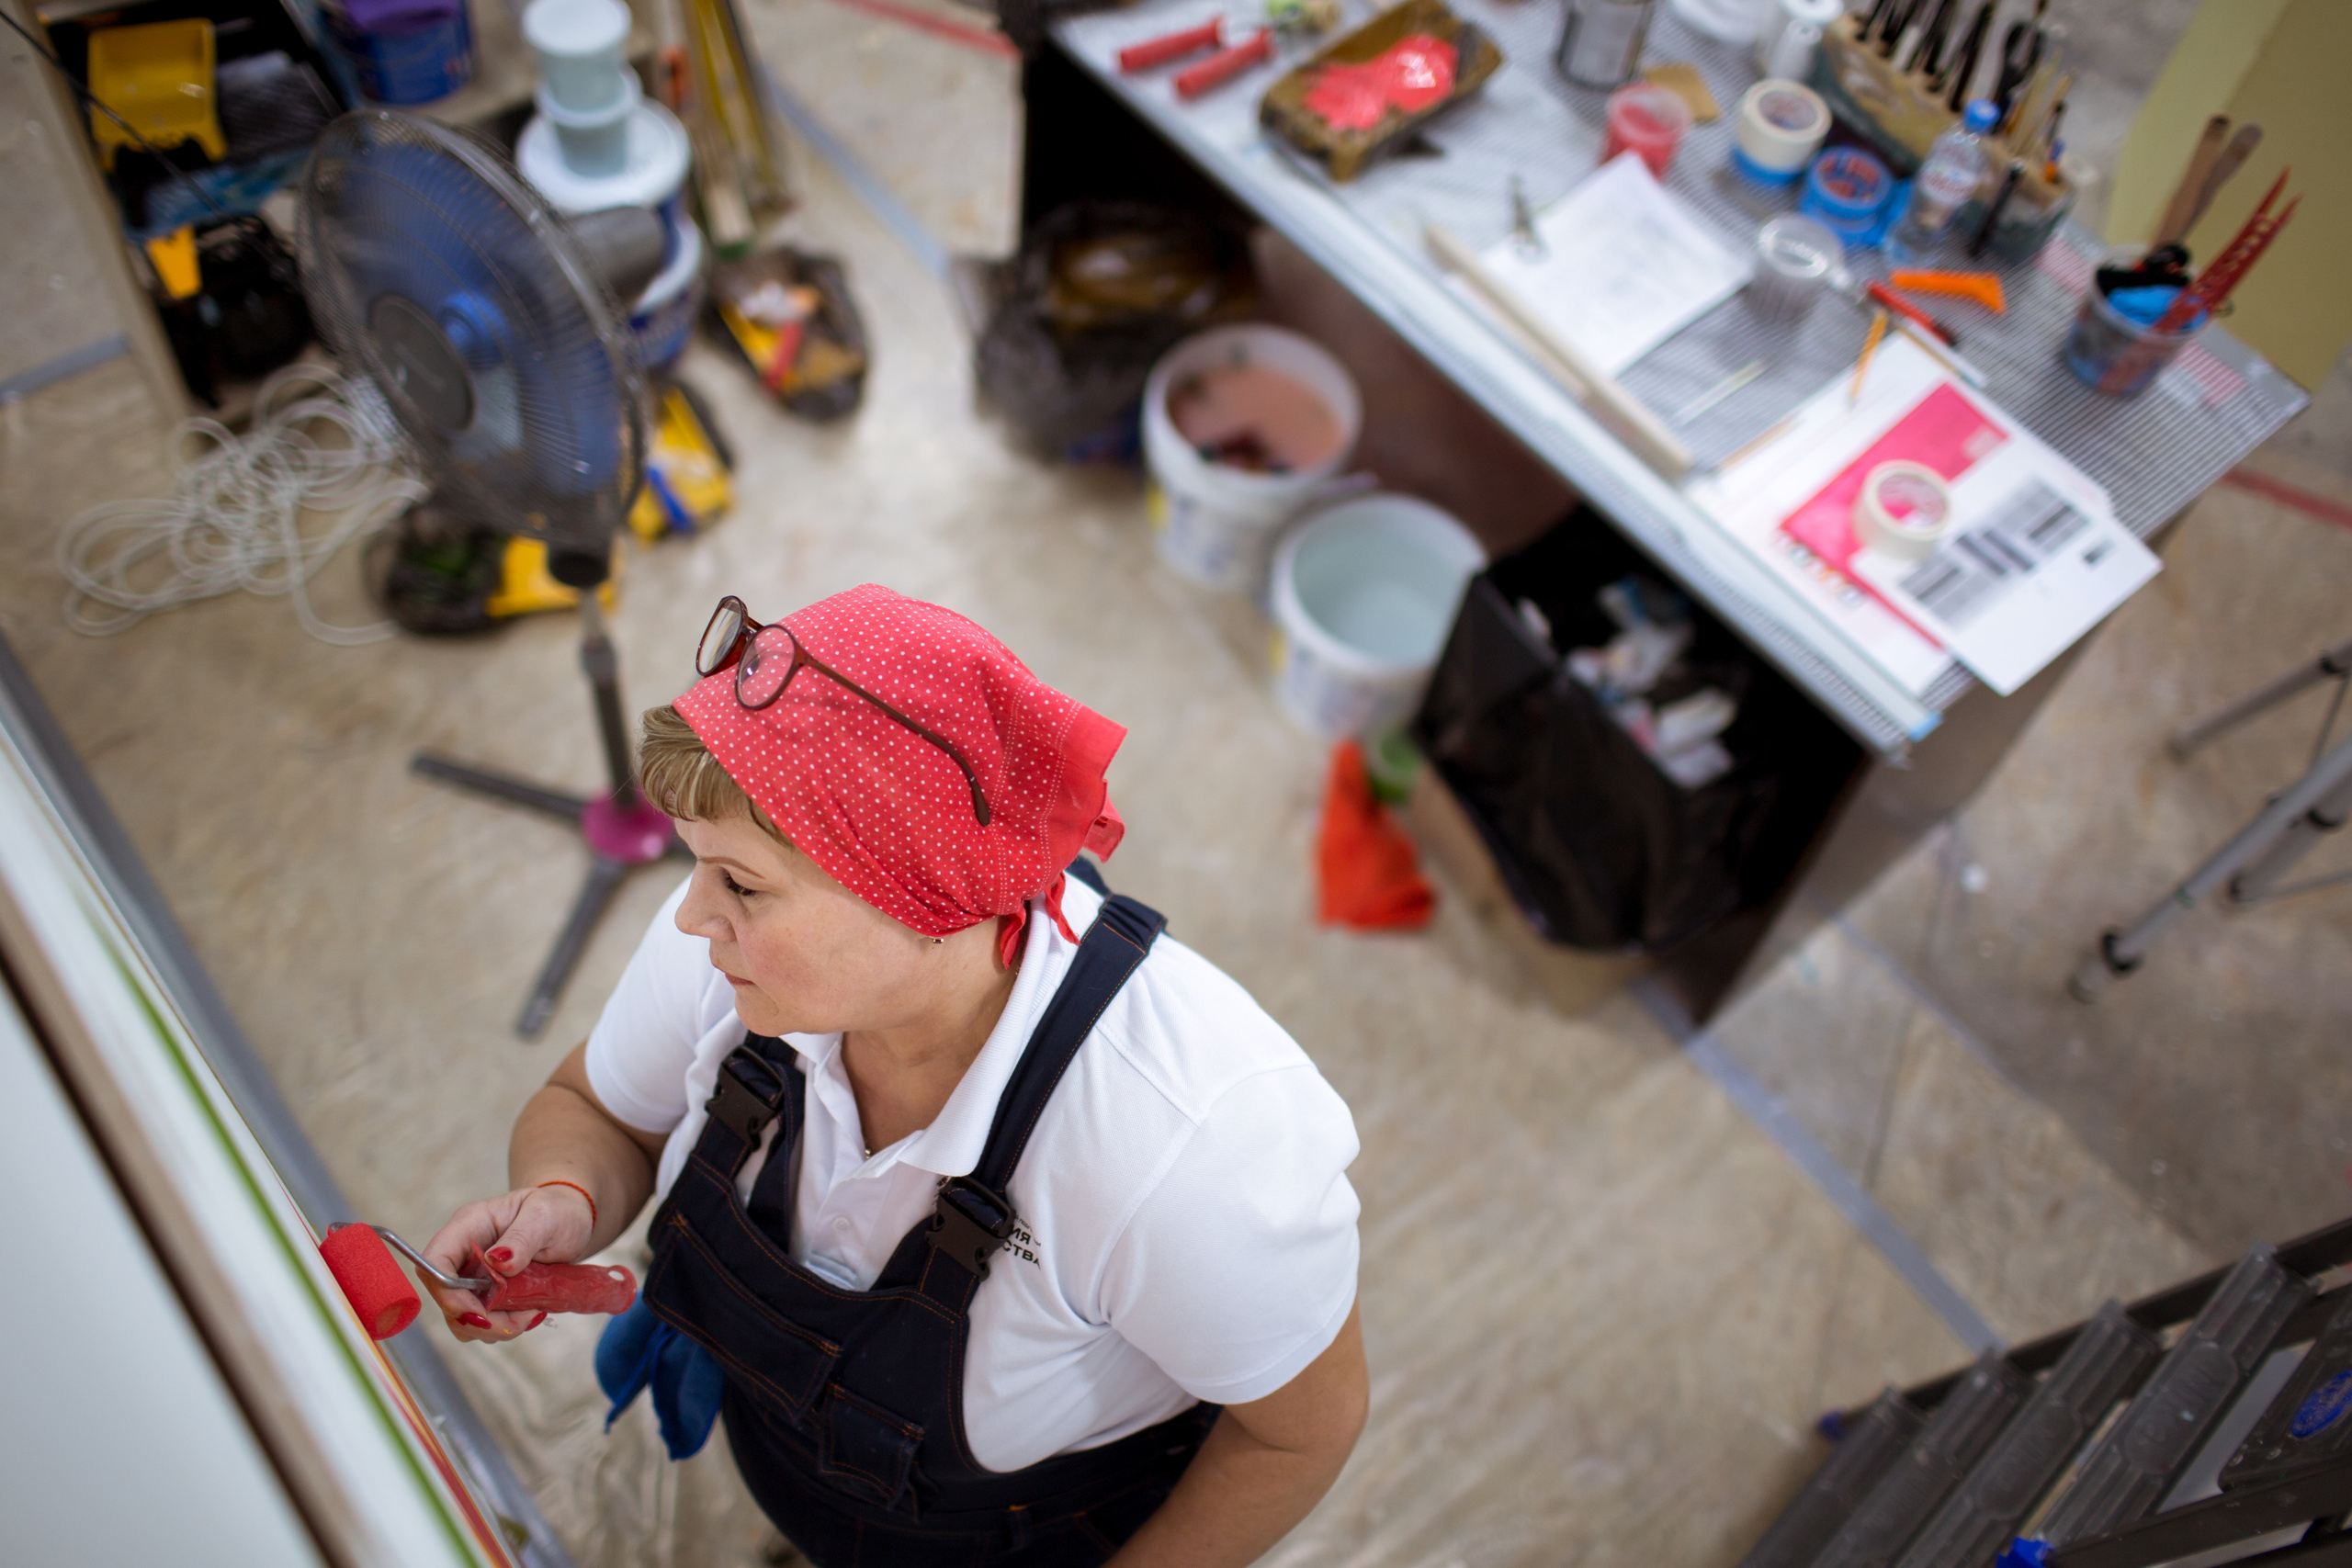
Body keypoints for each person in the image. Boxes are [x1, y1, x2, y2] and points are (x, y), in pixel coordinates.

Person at [421, 584, 1367, 1567]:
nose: (692, 916)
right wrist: (563, 1198)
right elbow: (598, 1110)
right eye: (700, 865)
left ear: (922, 893)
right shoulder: (732, 963)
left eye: (740, 884)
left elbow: (1300, 1432)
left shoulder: (1183, 1146)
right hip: (797, 1467)